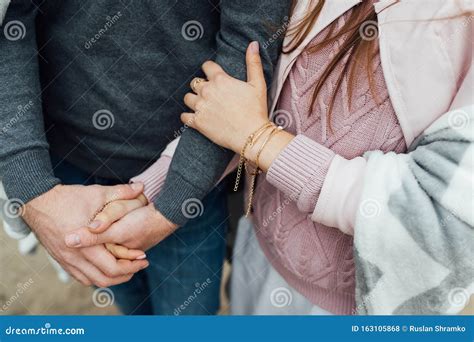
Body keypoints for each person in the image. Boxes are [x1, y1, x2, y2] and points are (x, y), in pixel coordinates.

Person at [69, 0, 473, 314]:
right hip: (258, 258)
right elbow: (237, 114)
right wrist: (147, 191)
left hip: (359, 309)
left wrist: (260, 140)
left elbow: (441, 215)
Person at [0, 0, 290, 315]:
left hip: (192, 179)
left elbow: (247, 44)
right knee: (130, 307)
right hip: (67, 164)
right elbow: (10, 19)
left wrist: (178, 194)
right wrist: (31, 184)